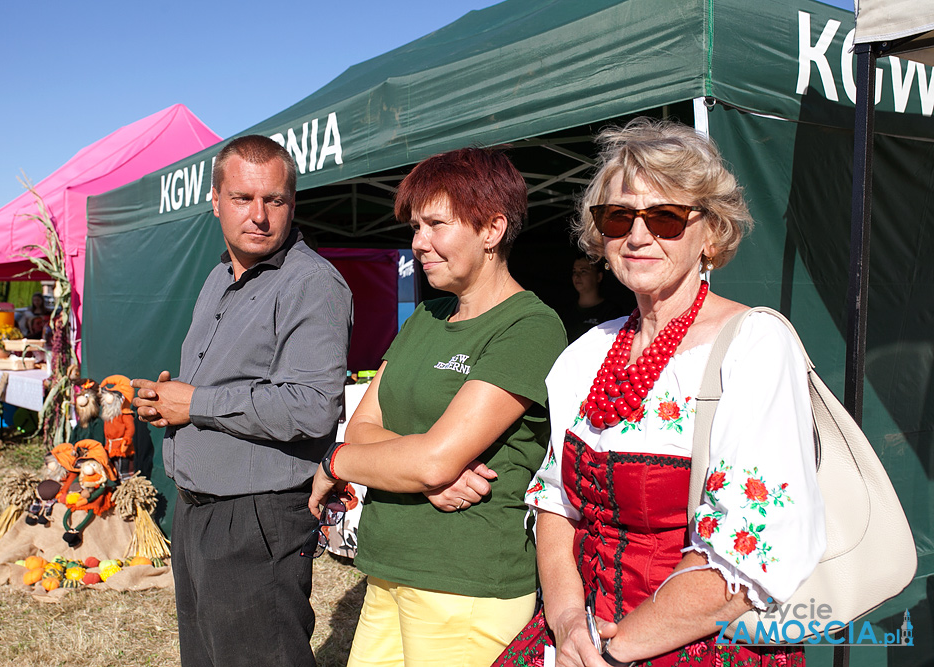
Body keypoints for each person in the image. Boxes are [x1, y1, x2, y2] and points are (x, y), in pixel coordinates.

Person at [494, 119, 825, 667]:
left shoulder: (754, 347)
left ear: (712, 233)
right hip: (578, 637)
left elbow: (748, 555)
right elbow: (556, 501)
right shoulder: (587, 354)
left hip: (693, 645)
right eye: (618, 216)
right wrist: (570, 623)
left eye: (666, 217)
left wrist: (614, 650)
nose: (638, 235)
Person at [309, 147, 567, 667]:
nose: (418, 242)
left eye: (435, 224)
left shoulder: (530, 328)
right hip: (389, 567)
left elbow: (427, 460)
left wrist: (335, 463)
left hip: (466, 584)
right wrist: (423, 465)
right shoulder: (426, 317)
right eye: (415, 226)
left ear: (492, 230)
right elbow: (362, 425)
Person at [131, 134, 353, 667]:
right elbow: (217, 389)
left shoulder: (313, 284)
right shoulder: (217, 279)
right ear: (214, 201)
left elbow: (312, 406)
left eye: (273, 200)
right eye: (242, 198)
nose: (258, 215)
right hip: (197, 510)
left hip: (257, 517)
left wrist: (197, 404)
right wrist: (167, 403)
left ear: (291, 204)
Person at [562, 255, 628, 342]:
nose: (577, 276)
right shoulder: (566, 310)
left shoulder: (610, 311)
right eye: (574, 271)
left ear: (599, 277)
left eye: (583, 271)